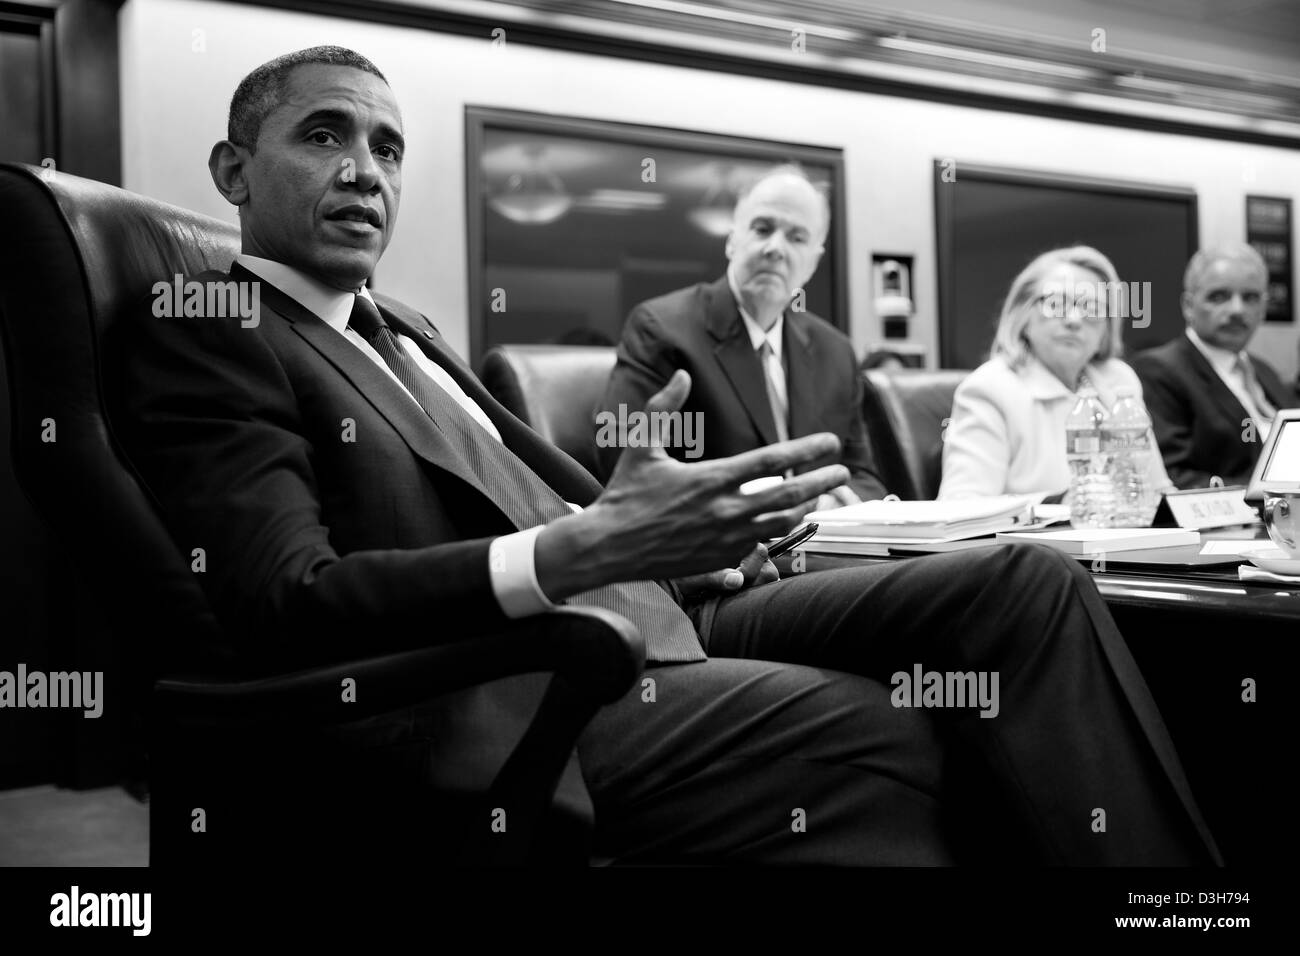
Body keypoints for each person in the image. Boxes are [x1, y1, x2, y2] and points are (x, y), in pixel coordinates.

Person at [114, 46, 1221, 866]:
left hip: (670, 603)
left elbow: (570, 498)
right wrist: (579, 551)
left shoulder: (407, 329)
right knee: (880, 719)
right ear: (233, 169)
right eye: (324, 136)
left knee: (1024, 586)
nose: (365, 170)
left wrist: (705, 544)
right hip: (527, 675)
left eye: (388, 148)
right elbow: (286, 598)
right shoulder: (211, 323)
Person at [597, 165, 887, 510]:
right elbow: (627, 465)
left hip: (828, 550)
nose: (775, 248)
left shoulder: (835, 351)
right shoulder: (661, 330)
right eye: (762, 229)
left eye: (797, 237)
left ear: (814, 260)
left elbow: (864, 476)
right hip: (722, 553)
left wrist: (830, 503)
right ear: (733, 240)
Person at [939, 246, 1172, 501]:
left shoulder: (1119, 381)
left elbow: (1157, 489)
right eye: (1056, 303)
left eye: (1092, 308)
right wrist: (1058, 504)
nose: (1073, 319)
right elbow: (960, 508)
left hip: (1131, 538)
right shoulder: (990, 388)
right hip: (1037, 541)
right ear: (1023, 314)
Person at [1132, 242, 1299, 489]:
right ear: (1188, 306)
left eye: (1250, 298)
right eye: (1219, 297)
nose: (1236, 310)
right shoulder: (1158, 370)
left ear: (1264, 308)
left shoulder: (1265, 372)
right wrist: (1269, 494)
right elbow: (1173, 477)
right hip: (1228, 521)